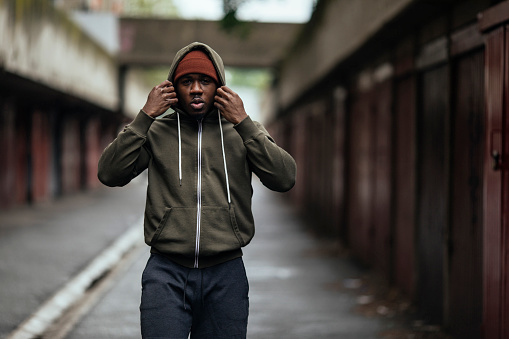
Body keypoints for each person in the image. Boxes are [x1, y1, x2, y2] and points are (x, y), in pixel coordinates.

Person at [97, 41, 296, 338]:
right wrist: (144, 117)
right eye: (186, 81)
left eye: (205, 81)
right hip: (166, 272)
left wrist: (244, 124)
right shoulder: (156, 131)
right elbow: (110, 173)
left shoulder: (244, 131)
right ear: (173, 87)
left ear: (219, 86)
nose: (196, 89)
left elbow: (284, 178)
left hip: (226, 273)